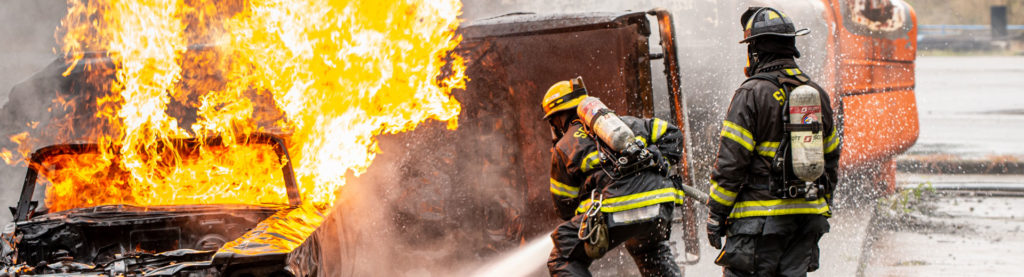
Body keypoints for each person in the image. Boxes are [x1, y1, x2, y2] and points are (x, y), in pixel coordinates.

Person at [705, 7, 842, 277]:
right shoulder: (816, 94)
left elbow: (731, 164)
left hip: (759, 225)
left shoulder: (751, 93)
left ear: (755, 50)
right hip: (805, 221)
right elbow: (831, 158)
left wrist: (716, 215)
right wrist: (823, 204)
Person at [542, 76, 685, 276]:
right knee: (649, 249)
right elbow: (673, 136)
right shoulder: (626, 124)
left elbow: (564, 207)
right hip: (660, 205)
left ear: (558, 118)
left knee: (562, 257)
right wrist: (659, 162)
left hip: (616, 209)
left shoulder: (564, 147)